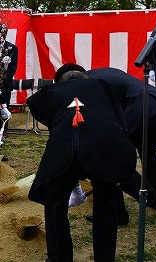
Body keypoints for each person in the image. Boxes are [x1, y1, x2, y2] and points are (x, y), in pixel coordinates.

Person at [27, 66, 137, 262]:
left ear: (62, 82)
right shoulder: (105, 86)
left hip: (64, 147)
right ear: (85, 78)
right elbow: (122, 110)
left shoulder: (52, 92)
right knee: (106, 202)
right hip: (102, 147)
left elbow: (40, 111)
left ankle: (60, 259)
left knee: (54, 204)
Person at [82, 67, 156, 224]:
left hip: (143, 108)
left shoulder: (87, 84)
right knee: (148, 151)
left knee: (110, 158)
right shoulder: (102, 72)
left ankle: (119, 212)